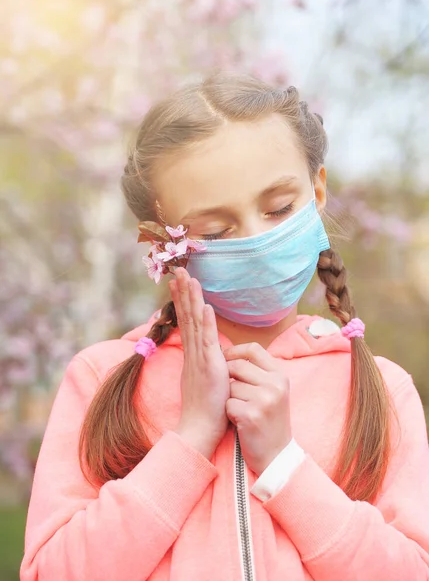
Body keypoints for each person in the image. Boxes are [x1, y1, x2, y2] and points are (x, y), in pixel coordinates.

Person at [20, 73, 429, 581]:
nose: (257, 239)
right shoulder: (100, 378)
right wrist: (189, 439)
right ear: (160, 239)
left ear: (318, 188)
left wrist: (284, 464)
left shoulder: (383, 389)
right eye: (215, 230)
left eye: (279, 207)